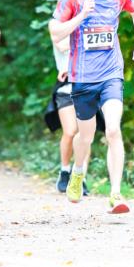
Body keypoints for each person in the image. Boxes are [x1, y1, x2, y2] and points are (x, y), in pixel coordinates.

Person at [49, 0, 134, 214]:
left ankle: (116, 194)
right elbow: (55, 32)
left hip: (111, 73)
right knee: (85, 136)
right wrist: (81, 16)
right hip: (82, 77)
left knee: (114, 128)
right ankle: (78, 173)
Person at [45, 34, 96, 195]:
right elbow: (62, 45)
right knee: (70, 131)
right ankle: (65, 171)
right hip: (66, 89)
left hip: (87, 85)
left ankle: (81, 177)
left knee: (85, 134)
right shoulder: (59, 23)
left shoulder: (89, 22)